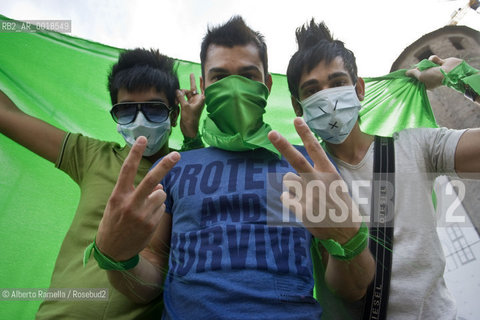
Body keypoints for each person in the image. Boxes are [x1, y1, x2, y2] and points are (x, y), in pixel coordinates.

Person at [93, 16, 375, 319]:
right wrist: (117, 259)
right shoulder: (173, 167)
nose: (235, 87)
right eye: (219, 77)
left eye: (248, 75)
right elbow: (150, 281)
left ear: (267, 85)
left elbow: (351, 289)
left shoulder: (307, 165)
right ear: (204, 86)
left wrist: (350, 241)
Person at [284, 19, 480, 319]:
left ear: (359, 88)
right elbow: (349, 289)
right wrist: (346, 241)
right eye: (312, 91)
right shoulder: (303, 181)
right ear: (298, 108)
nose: (328, 99)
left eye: (337, 84)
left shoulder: (418, 145)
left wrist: (461, 76)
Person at [0, 48, 204, 319]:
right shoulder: (90, 155)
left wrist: (192, 137)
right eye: (126, 110)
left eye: (154, 109)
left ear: (174, 115)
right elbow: (6, 115)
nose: (140, 121)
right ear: (115, 116)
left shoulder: (186, 170)